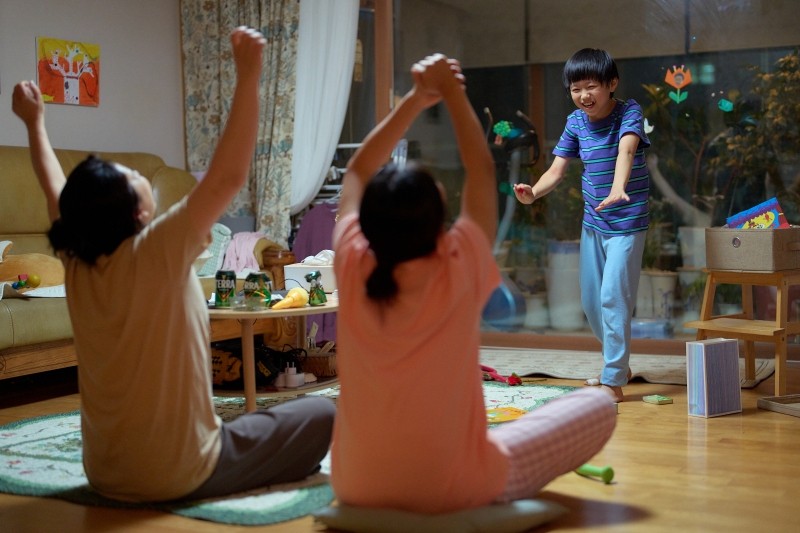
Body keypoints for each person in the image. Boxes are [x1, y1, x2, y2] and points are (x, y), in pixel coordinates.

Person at [12, 27, 334, 503]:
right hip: (180, 474)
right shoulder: (158, 247)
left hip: (105, 474)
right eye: (133, 177)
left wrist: (34, 122)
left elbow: (53, 186)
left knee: (265, 424)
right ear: (137, 213)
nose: (140, 176)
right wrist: (249, 75)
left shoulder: (77, 261)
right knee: (320, 414)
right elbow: (227, 176)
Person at [331, 53, 617, 514]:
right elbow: (482, 170)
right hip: (457, 487)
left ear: (367, 223)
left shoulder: (350, 261)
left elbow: (357, 172)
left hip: (355, 485)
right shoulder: (457, 262)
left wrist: (415, 99)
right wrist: (451, 91)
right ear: (438, 216)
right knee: (598, 406)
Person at [514, 48, 651, 403]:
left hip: (627, 222)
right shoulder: (576, 122)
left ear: (611, 84)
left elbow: (626, 151)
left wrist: (619, 187)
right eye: (576, 89)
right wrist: (534, 193)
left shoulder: (629, 111)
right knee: (591, 302)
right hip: (594, 222)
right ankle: (618, 364)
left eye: (591, 86)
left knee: (612, 297)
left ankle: (613, 379)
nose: (584, 95)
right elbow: (557, 169)